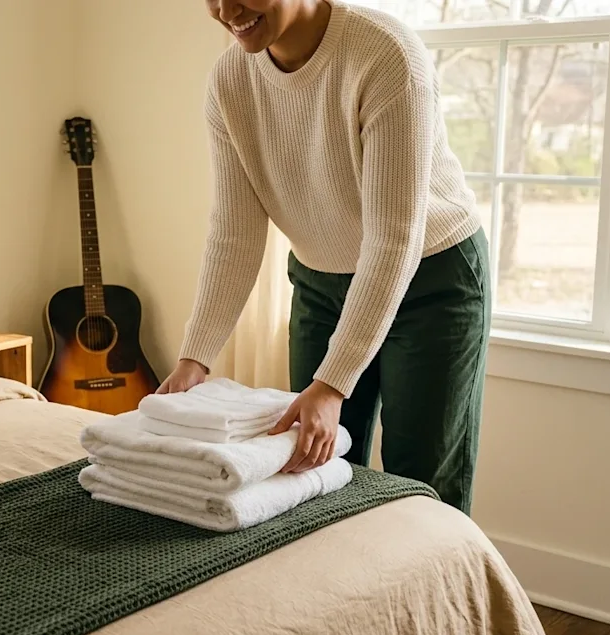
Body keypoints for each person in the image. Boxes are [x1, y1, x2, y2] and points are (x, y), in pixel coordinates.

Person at [157, 0, 491, 514]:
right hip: (321, 280)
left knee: (420, 480)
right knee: (314, 470)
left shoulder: (386, 55)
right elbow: (235, 232)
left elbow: (392, 237)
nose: (227, 10)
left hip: (430, 278)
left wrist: (333, 383)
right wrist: (193, 358)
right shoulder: (229, 81)